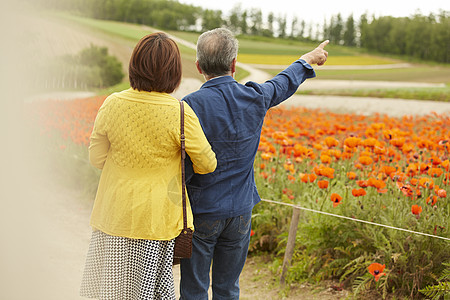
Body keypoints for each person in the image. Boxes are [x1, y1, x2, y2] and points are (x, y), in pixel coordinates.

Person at [179, 28, 328, 300]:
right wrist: (307, 60)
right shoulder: (254, 97)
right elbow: (282, 83)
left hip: (202, 212)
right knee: (228, 289)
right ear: (234, 64)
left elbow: (181, 164)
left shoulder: (188, 106)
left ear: (198, 66)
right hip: (240, 212)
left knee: (194, 289)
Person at [80, 32, 217, 299]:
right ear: (174, 72)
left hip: (113, 215)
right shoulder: (179, 112)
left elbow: (96, 159)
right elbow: (206, 164)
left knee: (108, 291)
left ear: (134, 65)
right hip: (157, 221)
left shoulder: (112, 104)